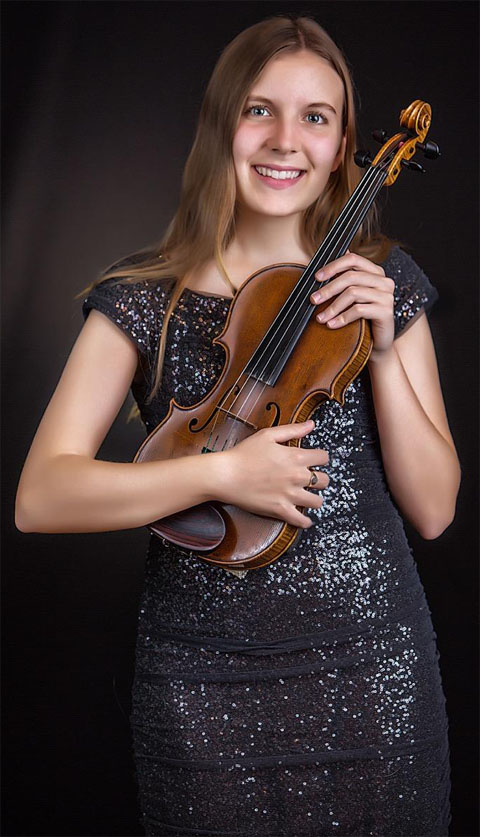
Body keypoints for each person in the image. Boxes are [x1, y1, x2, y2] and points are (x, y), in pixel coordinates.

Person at [15, 15, 460, 837]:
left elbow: (435, 510)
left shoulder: (380, 282)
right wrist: (219, 473)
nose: (285, 140)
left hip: (374, 678)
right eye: (260, 110)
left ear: (342, 147)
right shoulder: (145, 298)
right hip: (200, 690)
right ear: (221, 123)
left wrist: (386, 350)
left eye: (315, 118)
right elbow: (40, 495)